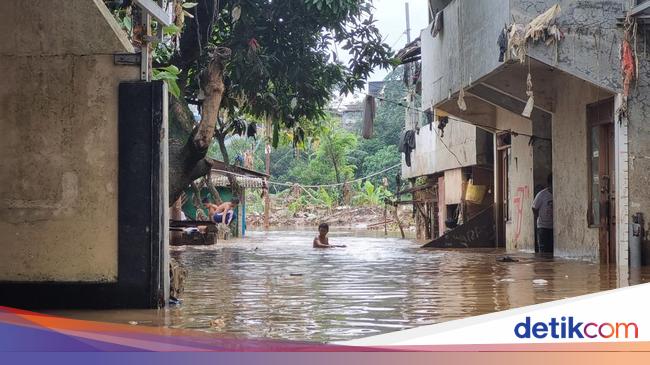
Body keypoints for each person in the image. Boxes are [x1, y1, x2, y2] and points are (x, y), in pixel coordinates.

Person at [532, 174, 553, 253]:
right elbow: (534, 207)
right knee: (544, 252)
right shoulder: (542, 195)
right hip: (543, 227)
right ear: (549, 184)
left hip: (554, 227)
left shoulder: (559, 194)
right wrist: (538, 217)